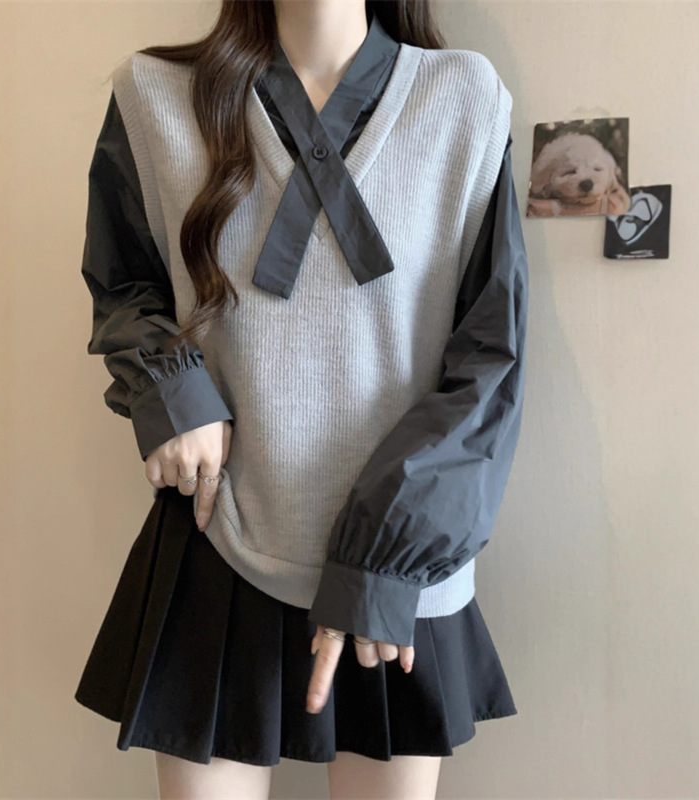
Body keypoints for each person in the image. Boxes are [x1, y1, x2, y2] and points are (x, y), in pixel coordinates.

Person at [74, 0, 529, 797]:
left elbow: (491, 358)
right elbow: (125, 281)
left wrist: (390, 557)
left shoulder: (465, 97)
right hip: (219, 533)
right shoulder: (153, 96)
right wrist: (174, 392)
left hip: (399, 560)